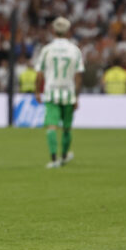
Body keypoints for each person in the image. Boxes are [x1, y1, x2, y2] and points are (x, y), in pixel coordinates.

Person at [34, 17, 84, 169]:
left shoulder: (46, 49)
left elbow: (39, 74)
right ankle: (64, 156)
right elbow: (78, 76)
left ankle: (54, 159)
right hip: (68, 93)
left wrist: (37, 91)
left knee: (51, 126)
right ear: (68, 31)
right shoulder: (75, 50)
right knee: (67, 127)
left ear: (53, 31)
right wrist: (77, 96)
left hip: (51, 92)